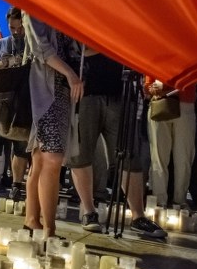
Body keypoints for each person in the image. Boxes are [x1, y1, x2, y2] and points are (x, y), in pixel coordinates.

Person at [69, 49, 166, 238]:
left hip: (121, 92)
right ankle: (89, 211)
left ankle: (138, 216)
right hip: (86, 91)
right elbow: (79, 49)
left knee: (128, 154)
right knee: (81, 154)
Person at [21, 14, 83, 235]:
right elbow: (41, 48)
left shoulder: (63, 10)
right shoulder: (34, 7)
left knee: (41, 157)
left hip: (62, 91)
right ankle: (50, 230)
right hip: (45, 90)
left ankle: (32, 219)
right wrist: (70, 74)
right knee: (52, 158)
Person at [0, 6, 30, 200]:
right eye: (12, 28)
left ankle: (16, 185)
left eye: (19, 28)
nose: (16, 32)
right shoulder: (0, 44)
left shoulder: (31, 43)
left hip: (24, 100)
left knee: (21, 146)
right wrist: (1, 64)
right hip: (2, 100)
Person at [144, 76, 197, 207]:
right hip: (160, 103)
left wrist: (165, 87)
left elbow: (193, 77)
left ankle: (180, 201)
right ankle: (159, 202)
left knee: (184, 157)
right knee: (158, 157)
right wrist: (153, 89)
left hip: (184, 102)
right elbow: (147, 84)